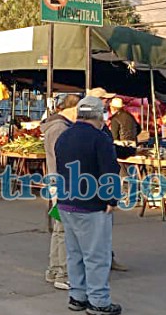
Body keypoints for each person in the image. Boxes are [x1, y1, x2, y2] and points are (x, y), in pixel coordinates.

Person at [55, 96, 122, 315]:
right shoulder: (100, 138)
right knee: (96, 255)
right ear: (99, 115)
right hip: (92, 204)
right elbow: (109, 171)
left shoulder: (64, 137)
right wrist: (111, 199)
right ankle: (99, 302)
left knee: (74, 253)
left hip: (66, 203)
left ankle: (77, 296)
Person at [40, 94, 80, 291]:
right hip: (64, 183)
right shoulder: (60, 129)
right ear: (72, 109)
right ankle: (63, 273)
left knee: (59, 228)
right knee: (65, 229)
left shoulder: (55, 126)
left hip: (58, 181)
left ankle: (54, 269)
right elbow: (64, 157)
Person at [86, 88, 129, 272]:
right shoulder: (91, 128)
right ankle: (97, 264)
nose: (107, 103)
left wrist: (131, 152)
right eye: (105, 100)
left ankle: (107, 258)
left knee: (104, 225)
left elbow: (110, 149)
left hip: (102, 181)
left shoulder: (102, 125)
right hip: (95, 183)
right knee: (95, 226)